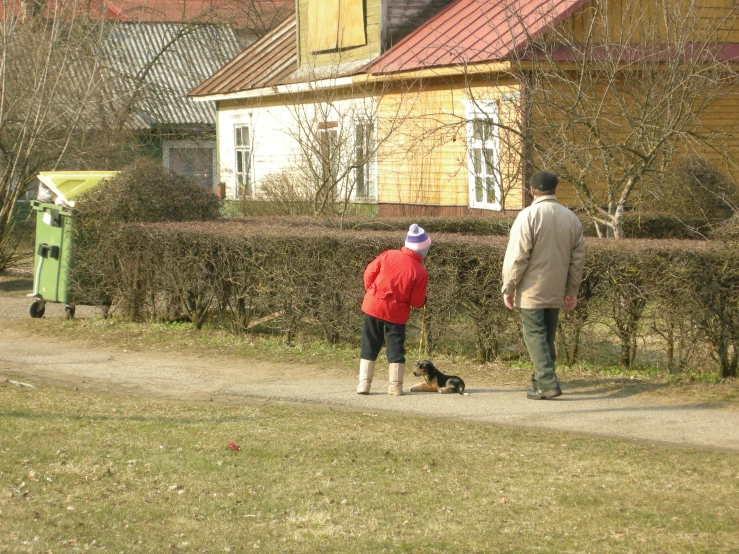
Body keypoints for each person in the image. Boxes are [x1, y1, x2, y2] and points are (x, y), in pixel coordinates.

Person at [501, 171, 585, 399]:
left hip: (531, 289)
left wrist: (508, 287)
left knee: (535, 336)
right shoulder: (571, 218)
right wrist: (571, 291)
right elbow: (577, 260)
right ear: (556, 190)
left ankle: (547, 383)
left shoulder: (528, 216)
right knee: (546, 337)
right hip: (556, 288)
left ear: (531, 191)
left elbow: (517, 256)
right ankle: (539, 382)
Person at [356, 224, 430, 396]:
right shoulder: (420, 272)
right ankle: (395, 386)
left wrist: (371, 291)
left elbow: (369, 273)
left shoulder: (388, 255)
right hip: (397, 313)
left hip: (373, 305)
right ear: (423, 250)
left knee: (369, 343)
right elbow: (417, 301)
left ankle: (364, 385)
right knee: (396, 347)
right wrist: (422, 301)